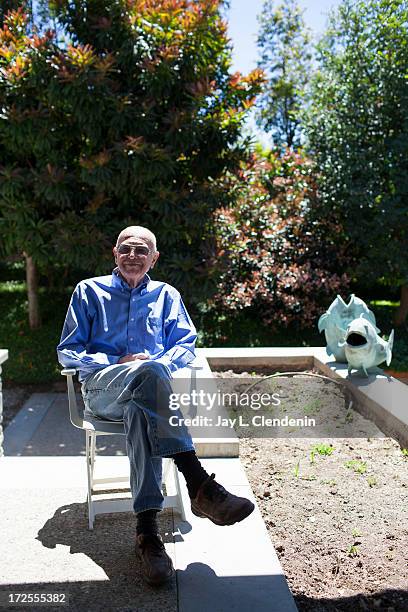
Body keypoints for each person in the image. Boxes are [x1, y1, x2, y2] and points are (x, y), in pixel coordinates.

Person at [57, 225, 254, 587]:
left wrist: (154, 366)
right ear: (114, 253)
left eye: (141, 250)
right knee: (148, 377)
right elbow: (68, 351)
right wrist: (118, 362)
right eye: (126, 249)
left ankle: (148, 536)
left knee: (143, 408)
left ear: (154, 258)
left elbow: (185, 346)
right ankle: (198, 482)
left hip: (147, 401)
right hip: (104, 391)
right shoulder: (89, 291)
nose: (133, 256)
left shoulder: (167, 295)